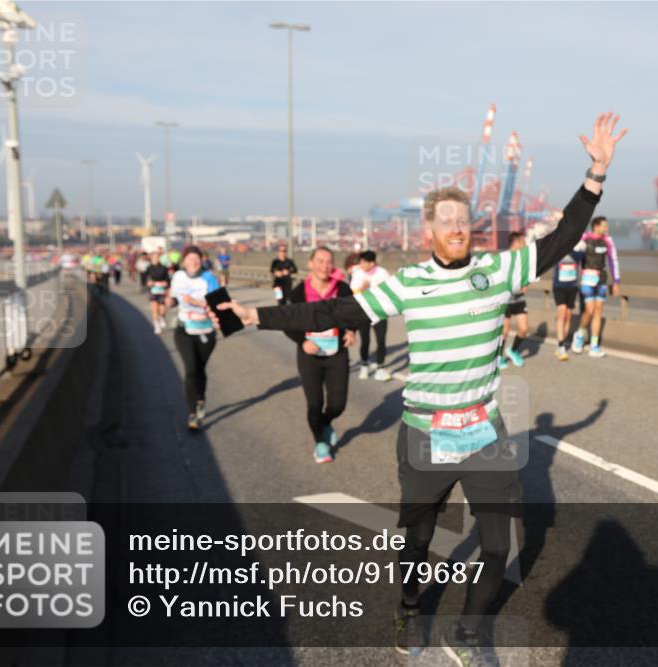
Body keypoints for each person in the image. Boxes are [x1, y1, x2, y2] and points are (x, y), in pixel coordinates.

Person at [212, 111, 625, 663]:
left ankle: (470, 629)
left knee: (499, 546)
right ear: (429, 231)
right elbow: (334, 310)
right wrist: (253, 316)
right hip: (425, 435)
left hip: (481, 430)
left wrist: (594, 174)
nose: (457, 228)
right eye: (446, 222)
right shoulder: (408, 284)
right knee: (416, 542)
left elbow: (562, 238)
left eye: (464, 221)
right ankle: (408, 607)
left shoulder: (499, 272)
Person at [282, 246, 356, 463]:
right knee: (314, 404)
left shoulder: (342, 289)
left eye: (329, 261)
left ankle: (325, 422)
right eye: (320, 261)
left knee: (338, 404)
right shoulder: (298, 293)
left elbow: (356, 314)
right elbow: (287, 323)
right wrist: (302, 341)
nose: (325, 266)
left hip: (336, 353)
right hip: (310, 355)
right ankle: (320, 443)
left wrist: (351, 330)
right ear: (310, 264)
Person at [167, 246, 220, 431]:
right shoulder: (178, 277)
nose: (193, 262)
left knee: (200, 369)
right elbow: (173, 298)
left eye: (196, 258)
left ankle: (200, 398)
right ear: (184, 261)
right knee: (190, 369)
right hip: (184, 330)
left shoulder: (209, 278)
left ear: (201, 260)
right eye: (189, 258)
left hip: (206, 331)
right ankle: (192, 414)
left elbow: (219, 305)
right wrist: (170, 301)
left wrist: (197, 302)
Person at [571, 216, 621, 357]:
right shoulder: (584, 238)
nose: (607, 228)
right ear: (596, 226)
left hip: (601, 280)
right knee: (590, 310)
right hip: (587, 280)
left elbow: (613, 261)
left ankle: (594, 345)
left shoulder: (608, 241)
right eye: (604, 226)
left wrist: (616, 282)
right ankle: (580, 334)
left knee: (598, 311)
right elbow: (574, 255)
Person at [350, 250, 392, 381]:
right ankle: (364, 365)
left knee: (381, 341)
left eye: (363, 262)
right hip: (364, 312)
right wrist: (362, 288)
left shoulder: (383, 273)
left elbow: (391, 290)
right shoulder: (357, 274)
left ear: (372, 263)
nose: (361, 264)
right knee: (365, 340)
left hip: (380, 311)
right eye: (360, 261)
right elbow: (354, 292)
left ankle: (381, 368)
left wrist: (380, 288)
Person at [499, 232, 530, 368]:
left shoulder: (523, 259)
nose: (525, 244)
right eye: (523, 241)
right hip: (505, 300)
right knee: (505, 330)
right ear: (516, 242)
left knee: (523, 329)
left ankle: (513, 350)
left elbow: (528, 275)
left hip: (519, 299)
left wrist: (526, 284)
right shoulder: (503, 258)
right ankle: (499, 357)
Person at [552, 246, 582, 360]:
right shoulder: (558, 251)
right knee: (562, 313)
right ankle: (560, 346)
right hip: (559, 287)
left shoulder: (577, 253)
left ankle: (561, 342)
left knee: (568, 317)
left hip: (572, 287)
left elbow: (585, 261)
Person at [144, 251, 172, 334]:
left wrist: (166, 283)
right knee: (154, 309)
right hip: (153, 290)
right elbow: (145, 278)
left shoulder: (163, 268)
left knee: (162, 310)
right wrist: (148, 282)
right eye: (154, 257)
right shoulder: (149, 268)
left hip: (162, 290)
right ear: (151, 258)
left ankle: (161, 317)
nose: (155, 258)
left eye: (157, 257)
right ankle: (156, 325)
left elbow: (168, 279)